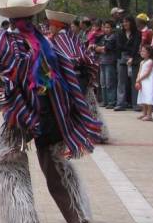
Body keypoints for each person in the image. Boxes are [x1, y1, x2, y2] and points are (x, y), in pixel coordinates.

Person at [0, 0, 100, 223]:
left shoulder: (4, 41)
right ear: (33, 16)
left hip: (22, 114)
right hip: (54, 112)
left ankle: (22, 220)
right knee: (55, 163)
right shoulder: (48, 42)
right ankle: (77, 217)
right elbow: (78, 66)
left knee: (3, 160)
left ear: (10, 18)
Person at [46, 10, 109, 143]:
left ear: (58, 26)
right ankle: (96, 132)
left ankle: (88, 132)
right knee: (87, 105)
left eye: (51, 24)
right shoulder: (69, 37)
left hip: (73, 78)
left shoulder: (61, 38)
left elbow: (70, 58)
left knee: (76, 105)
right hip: (80, 77)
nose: (49, 27)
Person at [114, 16, 142, 111]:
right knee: (121, 82)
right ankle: (120, 104)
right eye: (123, 22)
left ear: (131, 22)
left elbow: (136, 46)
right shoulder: (120, 33)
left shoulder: (138, 33)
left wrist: (132, 57)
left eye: (127, 21)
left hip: (134, 58)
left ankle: (136, 104)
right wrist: (129, 49)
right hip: (122, 58)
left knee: (135, 81)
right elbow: (119, 46)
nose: (125, 23)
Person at [94, 20, 119, 109]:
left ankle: (111, 101)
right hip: (102, 61)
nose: (106, 29)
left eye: (108, 27)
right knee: (103, 83)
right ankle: (105, 101)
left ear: (112, 29)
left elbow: (106, 48)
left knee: (110, 82)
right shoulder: (103, 37)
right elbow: (95, 47)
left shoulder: (113, 37)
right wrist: (98, 48)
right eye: (105, 27)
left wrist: (99, 48)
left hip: (110, 62)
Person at [136, 45, 153, 121]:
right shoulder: (142, 62)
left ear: (149, 53)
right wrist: (137, 79)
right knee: (143, 97)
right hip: (142, 82)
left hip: (148, 82)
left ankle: (149, 115)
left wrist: (139, 79)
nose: (142, 52)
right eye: (141, 51)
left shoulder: (150, 61)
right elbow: (140, 71)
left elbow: (147, 73)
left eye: (144, 51)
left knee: (148, 97)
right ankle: (144, 113)